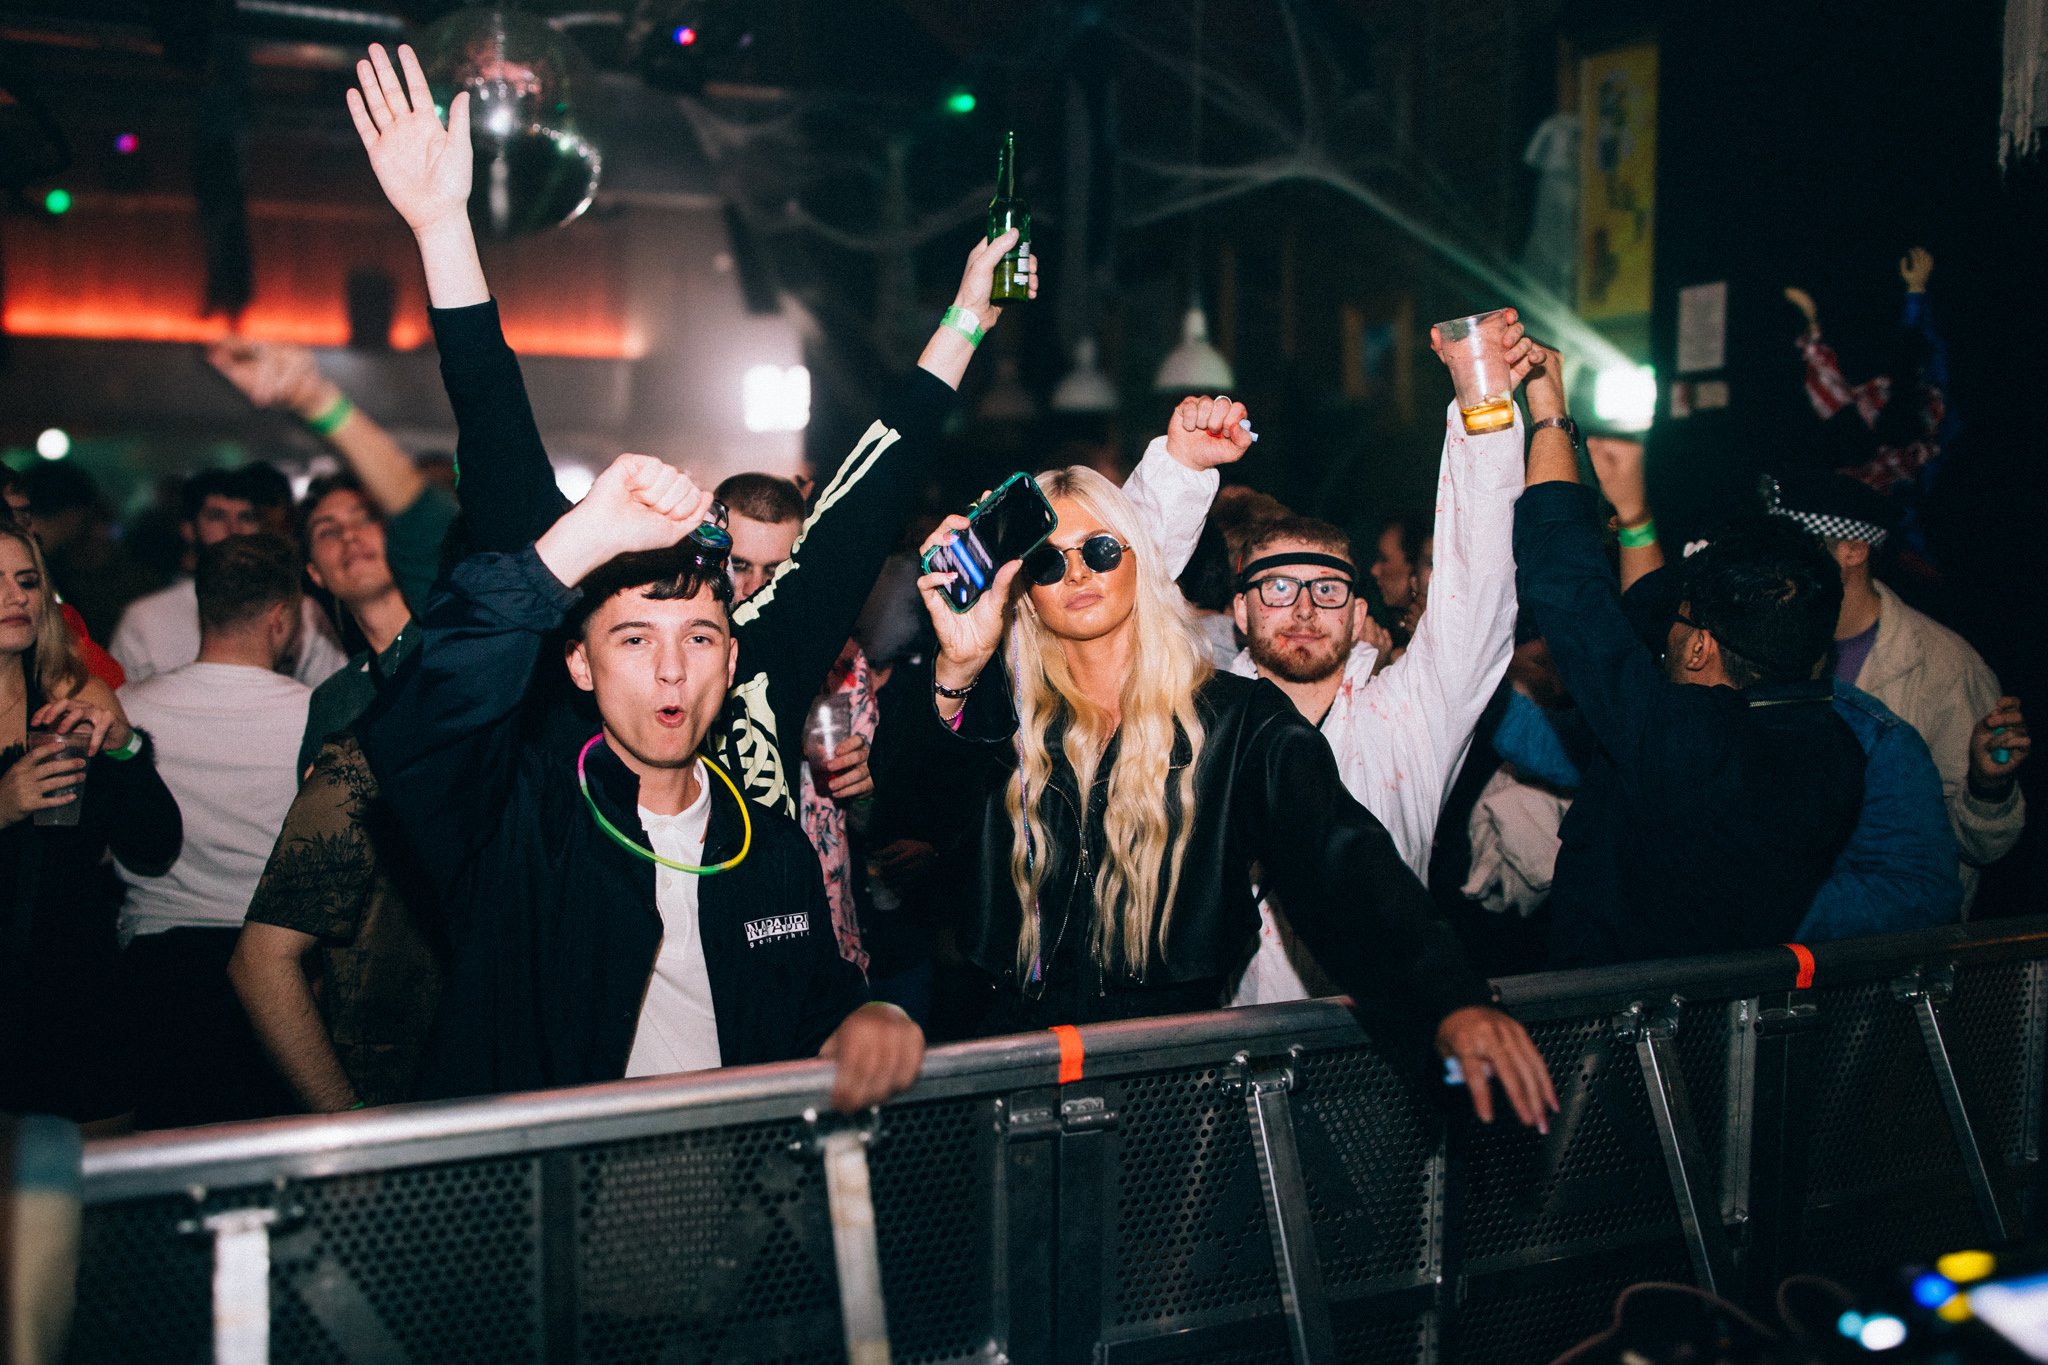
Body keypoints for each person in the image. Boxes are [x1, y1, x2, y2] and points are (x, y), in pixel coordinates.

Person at [905, 454, 1558, 1129]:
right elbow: (909, 819)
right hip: (1004, 1095)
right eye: (1047, 561)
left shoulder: (1237, 720)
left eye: (1099, 550)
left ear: (1142, 560)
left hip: (1168, 1103)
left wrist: (1448, 996)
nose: (1075, 574)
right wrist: (957, 666)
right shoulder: (999, 727)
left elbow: (1338, 856)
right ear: (1023, 588)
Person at [359, 453, 924, 1109]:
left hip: (733, 1171)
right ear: (580, 663)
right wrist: (582, 538)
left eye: (699, 639)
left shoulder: (770, 847)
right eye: (634, 639)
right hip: (560, 1173)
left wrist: (867, 1018)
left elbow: (809, 1013)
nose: (671, 670)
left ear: (731, 662)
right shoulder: (520, 822)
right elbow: (424, 721)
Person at [1512, 348, 1868, 967]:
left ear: (1701, 646)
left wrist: (1550, 418)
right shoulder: (1836, 749)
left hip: (1621, 1011)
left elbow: (1569, 587)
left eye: (1682, 625)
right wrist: (1634, 517)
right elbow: (1640, 612)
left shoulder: (1692, 744)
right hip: (1724, 1008)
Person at [1224, 323, 1525, 1003]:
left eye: (1327, 590)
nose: (1304, 608)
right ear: (1240, 611)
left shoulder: (1410, 716)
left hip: (1383, 1038)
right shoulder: (1200, 722)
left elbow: (1479, 581)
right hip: (1234, 1049)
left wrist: (1482, 403)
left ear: (1359, 612)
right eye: (1278, 587)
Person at [210, 339, 462, 1112]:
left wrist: (317, 400)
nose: (351, 534)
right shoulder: (332, 703)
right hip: (379, 1016)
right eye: (327, 529)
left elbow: (429, 519)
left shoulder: (456, 650)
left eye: (364, 518)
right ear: (314, 575)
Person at [1765, 470, 2027, 914]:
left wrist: (1988, 788)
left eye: (1797, 543)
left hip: (1899, 942)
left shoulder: (1944, 667)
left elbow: (1982, 848)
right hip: (1793, 929)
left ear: (1853, 550)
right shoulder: (1769, 642)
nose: (1776, 559)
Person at [117, 534, 311, 1127]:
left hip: (154, 969)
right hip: (280, 975)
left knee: (165, 1157)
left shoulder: (126, 710)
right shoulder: (317, 712)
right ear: (281, 619)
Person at [0, 524, 180, 1129]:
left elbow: (154, 846)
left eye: (27, 581)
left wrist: (126, 747)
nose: (16, 597)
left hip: (77, 989)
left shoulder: (74, 698)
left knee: (95, 1176)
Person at [109, 466, 348, 689]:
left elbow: (333, 698)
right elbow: (122, 708)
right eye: (216, 516)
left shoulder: (302, 611)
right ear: (189, 529)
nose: (234, 530)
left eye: (246, 517)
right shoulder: (145, 619)